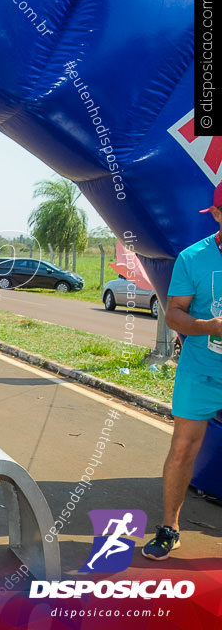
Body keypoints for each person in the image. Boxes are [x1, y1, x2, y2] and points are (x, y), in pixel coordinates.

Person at [141, 182, 222, 561]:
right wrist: (210, 326)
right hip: (202, 369)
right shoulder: (194, 257)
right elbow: (174, 314)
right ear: (217, 215)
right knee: (182, 449)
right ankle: (170, 527)